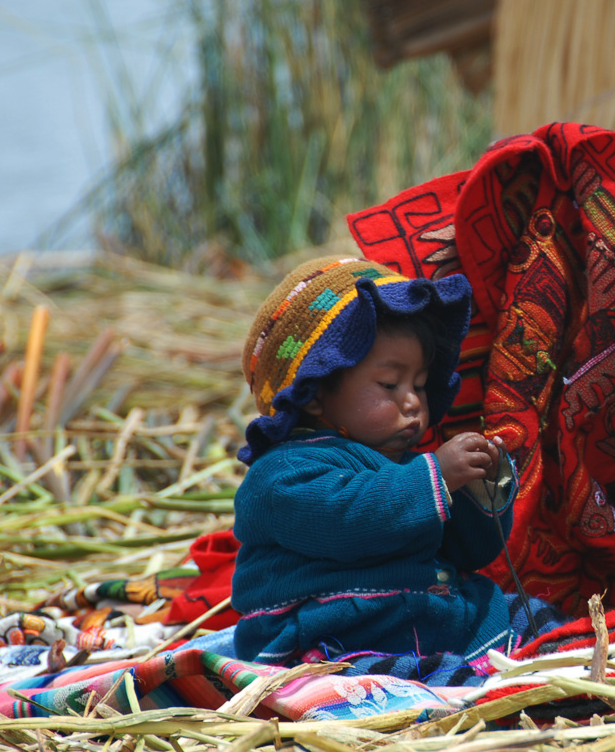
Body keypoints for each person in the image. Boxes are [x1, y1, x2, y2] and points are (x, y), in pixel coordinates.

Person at [231, 256, 551, 664]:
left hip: (429, 619)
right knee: (370, 681)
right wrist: (434, 476)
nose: (414, 401)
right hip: (332, 634)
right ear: (312, 392)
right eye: (390, 384)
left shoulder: (407, 466)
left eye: (419, 384)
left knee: (534, 622)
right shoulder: (281, 474)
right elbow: (348, 519)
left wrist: (478, 488)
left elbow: (469, 553)